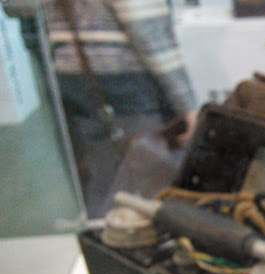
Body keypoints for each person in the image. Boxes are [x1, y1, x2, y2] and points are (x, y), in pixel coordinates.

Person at [41, 0, 198, 218]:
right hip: (124, 77)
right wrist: (187, 103)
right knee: (157, 174)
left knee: (102, 177)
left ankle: (100, 231)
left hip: (73, 75)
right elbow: (149, 34)